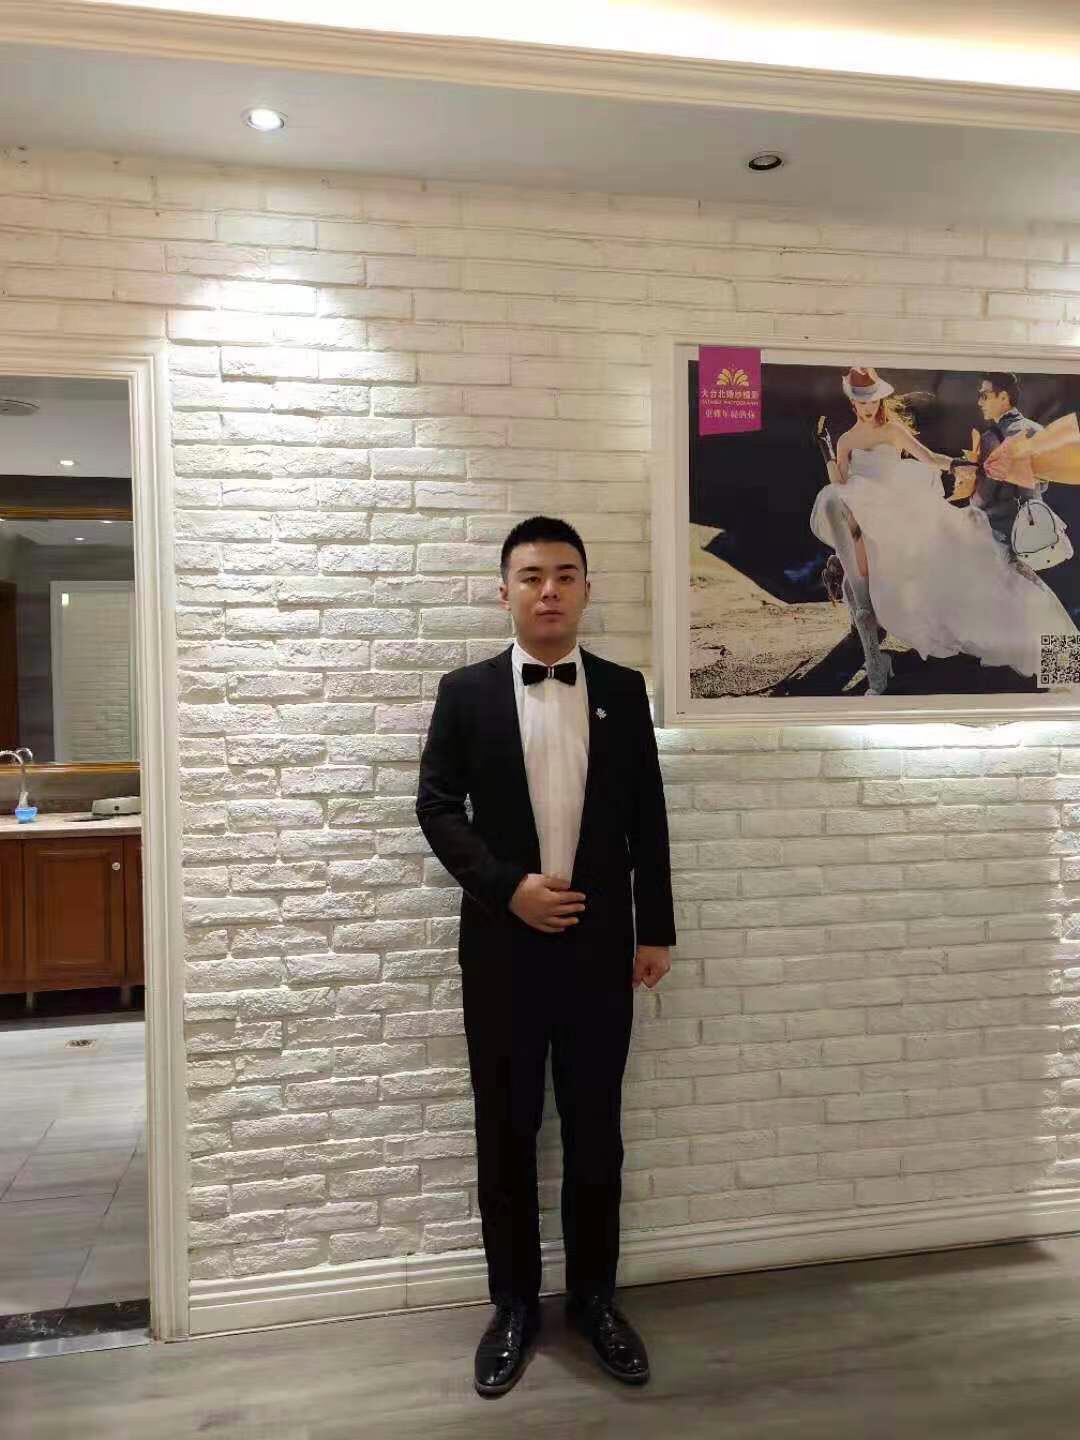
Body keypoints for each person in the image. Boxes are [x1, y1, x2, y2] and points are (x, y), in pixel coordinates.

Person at [415, 514, 675, 1398]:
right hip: (502, 952)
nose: (550, 591)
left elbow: (648, 817)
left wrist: (654, 929)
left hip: (601, 952)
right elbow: (435, 805)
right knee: (508, 1130)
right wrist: (506, 888)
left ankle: (595, 1300)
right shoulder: (465, 692)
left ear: (587, 589)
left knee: (597, 1131)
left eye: (565, 575)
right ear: (506, 593)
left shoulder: (624, 691)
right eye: (532, 577)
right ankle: (514, 1306)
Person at [811, 366, 1077, 687]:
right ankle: (1060, 660)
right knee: (993, 585)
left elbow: (927, 456)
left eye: (873, 401)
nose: (869, 408)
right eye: (863, 402)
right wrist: (828, 452)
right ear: (853, 403)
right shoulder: (847, 441)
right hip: (882, 520)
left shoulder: (895, 430)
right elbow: (840, 485)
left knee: (998, 584)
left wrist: (954, 465)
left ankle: (1060, 659)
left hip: (966, 519)